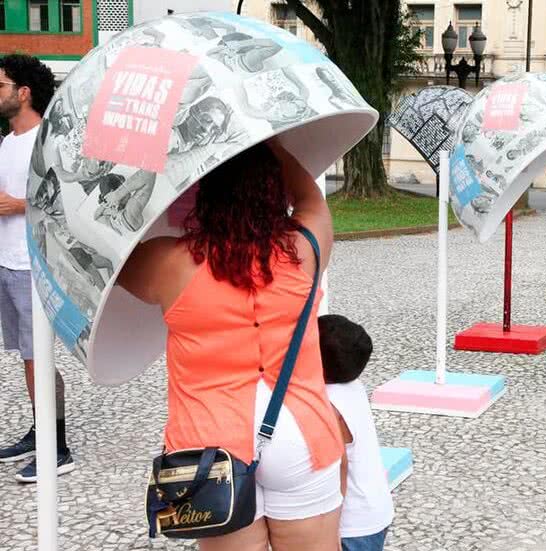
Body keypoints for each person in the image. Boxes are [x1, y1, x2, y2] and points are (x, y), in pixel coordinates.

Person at [117, 140, 345, 550]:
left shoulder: (170, 264)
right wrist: (271, 142)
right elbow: (311, 196)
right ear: (274, 190)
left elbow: (112, 249)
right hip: (301, 433)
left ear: (203, 193)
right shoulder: (306, 248)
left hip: (210, 446)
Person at [0, 54, 75, 482]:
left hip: (34, 266)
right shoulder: (8, 142)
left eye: (1, 85)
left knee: (38, 358)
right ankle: (39, 431)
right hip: (8, 263)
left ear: (24, 92)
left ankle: (57, 448)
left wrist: (18, 205)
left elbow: (67, 204)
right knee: (28, 357)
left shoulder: (47, 141)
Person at [318, 315, 394, 551]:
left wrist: (331, 530)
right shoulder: (353, 385)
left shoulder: (328, 405)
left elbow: (338, 468)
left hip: (352, 524)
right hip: (375, 509)